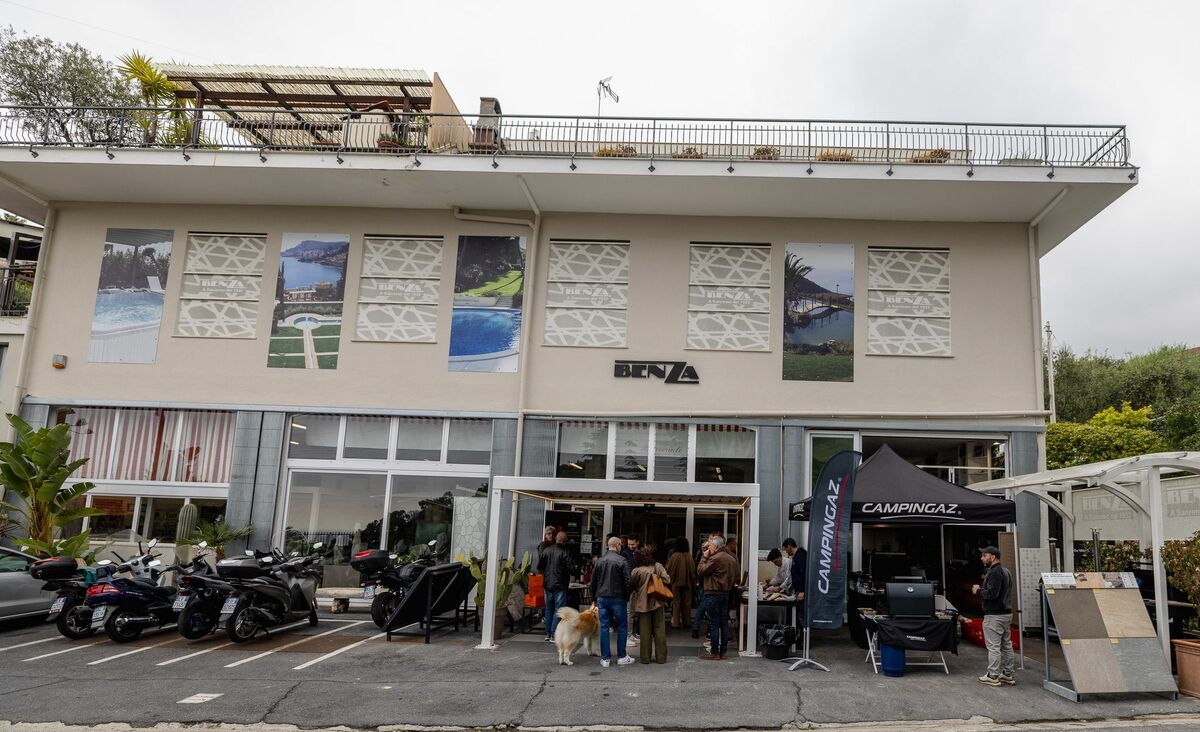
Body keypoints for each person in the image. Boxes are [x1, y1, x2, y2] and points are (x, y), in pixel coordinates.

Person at [973, 545, 1015, 686]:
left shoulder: (995, 572)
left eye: (984, 555)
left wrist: (978, 591)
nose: (982, 558)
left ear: (992, 557)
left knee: (994, 646)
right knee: (1006, 645)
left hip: (995, 615)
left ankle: (993, 675)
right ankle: (1008, 674)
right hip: (1006, 613)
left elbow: (992, 594)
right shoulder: (1006, 571)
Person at [590, 536, 635, 667]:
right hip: (618, 598)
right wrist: (626, 596)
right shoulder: (622, 560)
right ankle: (621, 656)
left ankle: (605, 659)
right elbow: (628, 581)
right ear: (618, 545)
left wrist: (594, 599)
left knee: (604, 627)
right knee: (622, 626)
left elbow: (593, 582)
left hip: (602, 597)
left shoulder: (600, 561)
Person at [697, 535, 739, 660]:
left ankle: (715, 652)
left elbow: (700, 570)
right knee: (723, 622)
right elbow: (736, 575)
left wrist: (704, 557)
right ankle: (723, 651)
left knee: (714, 623)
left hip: (713, 593)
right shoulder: (731, 558)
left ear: (715, 546)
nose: (708, 548)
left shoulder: (715, 558)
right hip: (725, 593)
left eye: (710, 546)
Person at [630, 548, 671, 664]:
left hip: (642, 604)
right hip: (658, 602)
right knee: (660, 630)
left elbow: (632, 586)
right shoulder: (658, 566)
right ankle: (661, 658)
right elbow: (667, 580)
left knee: (645, 632)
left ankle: (645, 658)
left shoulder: (636, 571)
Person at [537, 530, 575, 642]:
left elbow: (540, 566)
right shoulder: (565, 552)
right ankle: (554, 634)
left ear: (556, 539)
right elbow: (571, 569)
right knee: (559, 609)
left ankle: (548, 633)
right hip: (560, 584)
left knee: (549, 608)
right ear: (565, 541)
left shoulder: (546, 550)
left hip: (547, 584)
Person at [665, 536, 696, 629]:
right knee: (687, 603)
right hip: (687, 583)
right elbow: (692, 571)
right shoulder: (689, 556)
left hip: (676, 583)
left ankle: (676, 623)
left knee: (676, 603)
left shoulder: (674, 556)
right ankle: (687, 622)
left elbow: (669, 570)